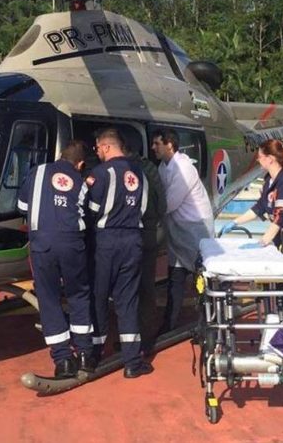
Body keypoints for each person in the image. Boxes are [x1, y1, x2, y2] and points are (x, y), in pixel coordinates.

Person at [17, 140, 94, 378]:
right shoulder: (81, 182)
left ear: (60, 155)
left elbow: (22, 206)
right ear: (80, 164)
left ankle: (63, 360)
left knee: (48, 298)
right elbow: (88, 212)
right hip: (72, 244)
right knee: (78, 294)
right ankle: (84, 354)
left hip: (43, 245)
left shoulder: (37, 171)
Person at [87, 128, 153, 378]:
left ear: (105, 147)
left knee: (99, 296)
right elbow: (145, 208)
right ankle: (132, 362)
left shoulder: (100, 173)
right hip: (133, 239)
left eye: (97, 149)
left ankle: (94, 353)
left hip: (107, 241)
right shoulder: (139, 172)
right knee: (127, 300)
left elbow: (91, 209)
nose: (97, 154)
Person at [220, 139, 283, 288]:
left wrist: (264, 241)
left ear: (270, 159)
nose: (258, 160)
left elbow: (282, 216)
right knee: (281, 286)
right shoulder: (270, 181)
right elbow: (260, 207)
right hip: (281, 237)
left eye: (260, 157)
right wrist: (235, 222)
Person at [151, 128, 214, 333]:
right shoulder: (163, 166)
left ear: (170, 145)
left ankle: (209, 318)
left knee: (201, 274)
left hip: (194, 228)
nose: (153, 148)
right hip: (177, 228)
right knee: (175, 276)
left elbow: (170, 202)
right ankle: (169, 323)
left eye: (157, 144)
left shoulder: (184, 168)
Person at [134, 153, 165, 354]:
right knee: (145, 288)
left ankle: (138, 340)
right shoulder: (150, 169)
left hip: (136, 237)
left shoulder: (122, 171)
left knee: (137, 290)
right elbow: (162, 204)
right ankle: (143, 338)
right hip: (148, 234)